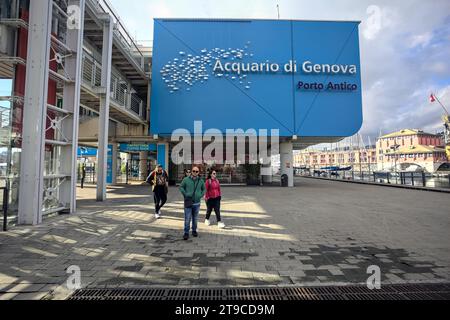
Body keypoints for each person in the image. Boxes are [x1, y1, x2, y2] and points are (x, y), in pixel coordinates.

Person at [179, 166, 205, 240]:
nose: (195, 172)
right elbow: (181, 187)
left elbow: (204, 189)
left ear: (198, 172)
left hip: (197, 203)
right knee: (187, 218)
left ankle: (194, 230)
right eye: (193, 171)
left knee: (195, 218)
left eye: (196, 171)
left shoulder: (201, 181)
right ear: (191, 172)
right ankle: (186, 232)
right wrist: (185, 194)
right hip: (188, 202)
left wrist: (200, 195)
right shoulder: (186, 179)